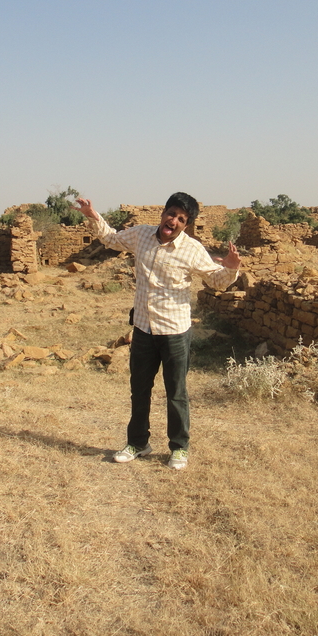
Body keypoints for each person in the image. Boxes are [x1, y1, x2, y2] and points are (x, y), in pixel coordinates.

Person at [73, 192, 242, 470]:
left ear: (186, 225)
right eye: (171, 214)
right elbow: (111, 239)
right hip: (142, 328)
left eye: (181, 219)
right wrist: (93, 216)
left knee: (176, 392)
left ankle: (179, 448)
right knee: (139, 389)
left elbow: (216, 281)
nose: (173, 221)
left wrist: (232, 269)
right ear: (163, 213)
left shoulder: (192, 250)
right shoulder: (141, 235)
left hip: (175, 331)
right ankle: (138, 442)